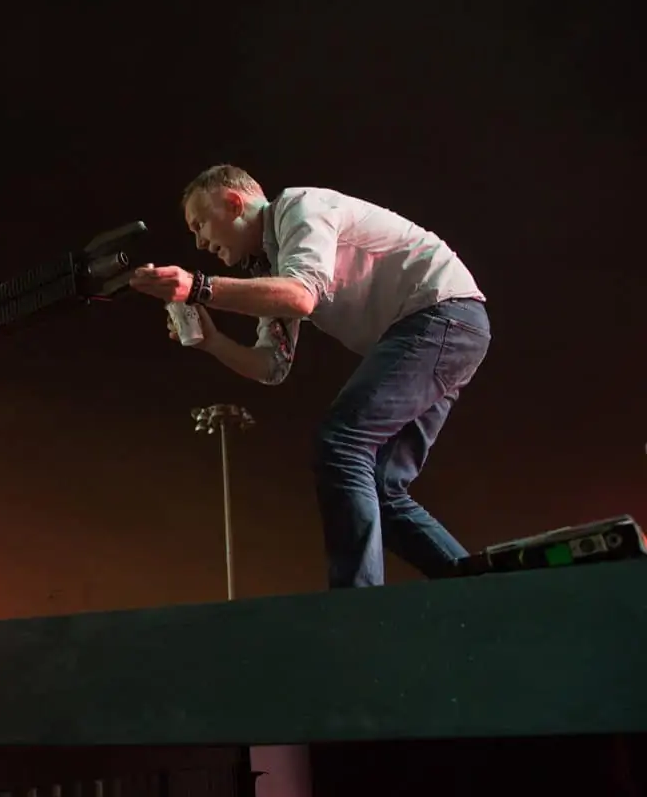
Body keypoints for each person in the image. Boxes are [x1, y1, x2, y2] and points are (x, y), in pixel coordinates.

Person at [130, 165, 490, 589]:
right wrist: (212, 341)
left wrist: (197, 287)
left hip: (441, 315)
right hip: (445, 331)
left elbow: (301, 297)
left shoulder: (299, 208)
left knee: (341, 443)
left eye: (200, 223)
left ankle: (355, 606)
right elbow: (271, 366)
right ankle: (486, 593)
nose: (199, 241)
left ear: (232, 202)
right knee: (383, 492)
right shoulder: (271, 269)